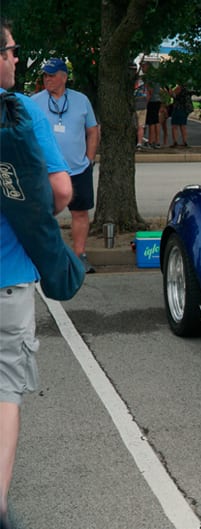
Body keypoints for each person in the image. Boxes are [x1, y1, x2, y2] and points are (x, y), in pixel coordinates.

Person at [0, 19, 72, 528]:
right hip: (9, 277)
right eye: (10, 50)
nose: (17, 59)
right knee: (5, 390)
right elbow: (62, 192)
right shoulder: (20, 111)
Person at [32, 58, 100, 273]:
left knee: (80, 213)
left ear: (64, 77)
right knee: (44, 213)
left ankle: (79, 255)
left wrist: (89, 158)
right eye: (45, 75)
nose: (47, 79)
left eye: (52, 75)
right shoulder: (34, 101)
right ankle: (45, 257)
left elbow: (93, 130)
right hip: (47, 170)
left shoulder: (81, 100)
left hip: (78, 169)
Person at [145, 69, 162, 148]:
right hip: (158, 100)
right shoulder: (157, 78)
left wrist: (146, 102)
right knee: (156, 121)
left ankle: (151, 141)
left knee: (151, 122)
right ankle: (157, 141)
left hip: (152, 101)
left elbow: (150, 91)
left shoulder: (149, 78)